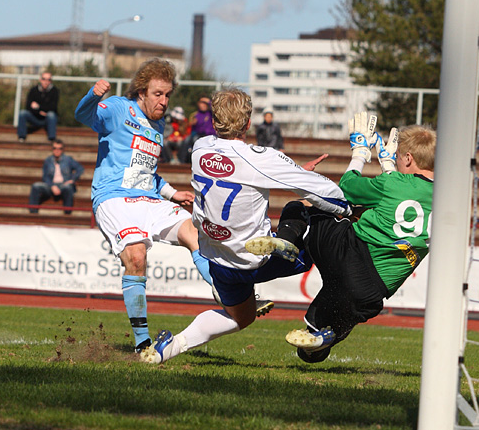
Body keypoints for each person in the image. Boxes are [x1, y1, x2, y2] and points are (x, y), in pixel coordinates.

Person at [140, 88, 352, 365]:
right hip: (257, 259)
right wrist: (347, 208)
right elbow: (324, 192)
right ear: (248, 122)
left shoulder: (200, 147)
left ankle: (169, 348)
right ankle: (292, 248)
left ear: (214, 122)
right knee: (308, 215)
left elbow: (236, 166)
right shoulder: (261, 157)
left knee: (242, 317)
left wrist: (295, 172)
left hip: (219, 260)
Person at [75, 59, 271, 354]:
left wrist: (170, 193)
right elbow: (82, 114)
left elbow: (147, 172)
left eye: (168, 95)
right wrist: (93, 94)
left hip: (149, 199)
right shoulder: (117, 108)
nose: (164, 101)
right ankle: (143, 344)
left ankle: (228, 294)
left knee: (196, 232)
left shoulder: (158, 124)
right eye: (158, 94)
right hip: (114, 198)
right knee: (136, 257)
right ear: (141, 91)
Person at [247, 119, 436, 363]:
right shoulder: (448, 196)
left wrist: (360, 153)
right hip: (373, 292)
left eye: (399, 157)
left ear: (409, 159)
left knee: (304, 205)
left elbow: (347, 186)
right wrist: (388, 164)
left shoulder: (394, 182)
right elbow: (408, 198)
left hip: (348, 253)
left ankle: (285, 239)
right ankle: (325, 337)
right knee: (309, 351)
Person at [28, 139, 84, 214]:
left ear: (62, 149)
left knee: (68, 188)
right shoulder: (48, 160)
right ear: (52, 149)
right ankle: (33, 211)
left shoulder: (68, 159)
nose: (57, 150)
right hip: (51, 185)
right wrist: (52, 186)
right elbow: (45, 177)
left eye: (59, 148)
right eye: (55, 148)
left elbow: (80, 168)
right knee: (35, 186)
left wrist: (72, 179)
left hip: (64, 185)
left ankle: (68, 213)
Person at [17, 72, 59, 142]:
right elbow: (28, 106)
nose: (46, 82)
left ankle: (51, 139)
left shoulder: (55, 91)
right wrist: (40, 112)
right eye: (44, 79)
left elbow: (53, 107)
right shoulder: (33, 90)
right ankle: (21, 137)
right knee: (22, 113)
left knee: (51, 115)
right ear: (40, 79)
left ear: (51, 81)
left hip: (47, 118)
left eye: (48, 79)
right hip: (34, 117)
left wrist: (38, 107)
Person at [178, 95, 216, 163]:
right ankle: (181, 161)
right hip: (198, 134)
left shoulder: (210, 114)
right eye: (201, 102)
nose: (203, 105)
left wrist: (209, 101)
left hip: (209, 135)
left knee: (196, 140)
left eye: (205, 103)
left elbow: (214, 107)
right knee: (187, 139)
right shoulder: (196, 115)